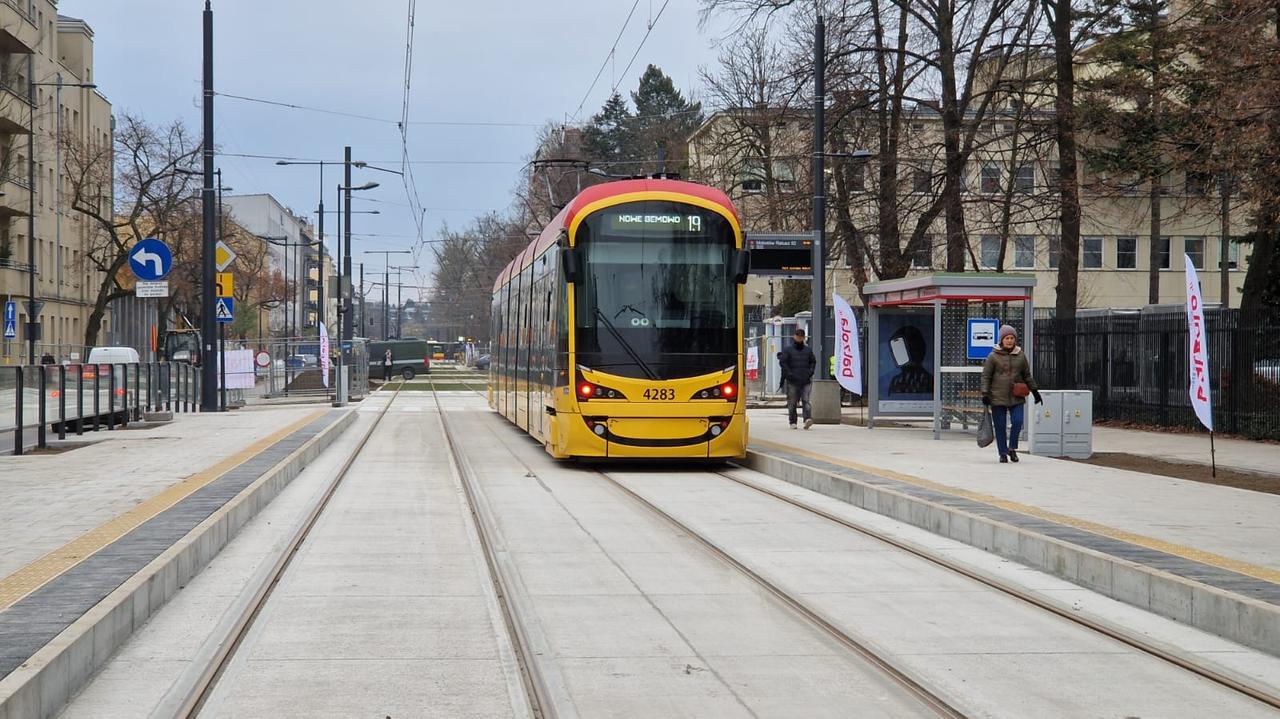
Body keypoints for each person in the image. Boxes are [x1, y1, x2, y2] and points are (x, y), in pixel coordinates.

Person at [981, 324, 1042, 463]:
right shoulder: (993, 356)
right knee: (1000, 426)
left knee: (1018, 421)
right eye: (1007, 338)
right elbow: (986, 376)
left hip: (1016, 395)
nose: (1009, 341)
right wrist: (985, 394)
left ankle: (1012, 448)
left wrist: (1035, 391)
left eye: (1012, 338)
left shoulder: (1020, 355)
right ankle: (1003, 453)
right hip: (997, 396)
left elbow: (1027, 375)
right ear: (1001, 340)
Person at [778, 327, 817, 430]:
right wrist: (789, 374)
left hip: (805, 379)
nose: (799, 338)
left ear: (803, 338)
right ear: (794, 336)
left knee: (806, 400)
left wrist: (810, 372)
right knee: (792, 401)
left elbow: (813, 362)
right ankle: (793, 421)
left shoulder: (808, 350)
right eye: (798, 336)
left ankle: (807, 419)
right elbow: (783, 363)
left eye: (801, 336)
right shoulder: (788, 350)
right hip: (792, 380)